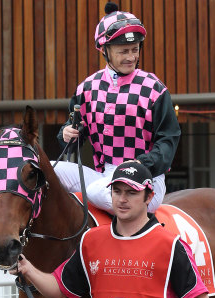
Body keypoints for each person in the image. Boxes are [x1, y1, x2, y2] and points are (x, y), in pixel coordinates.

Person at [11, 161, 214, 298]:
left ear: (149, 197)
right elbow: (59, 289)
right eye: (116, 191)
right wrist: (27, 268)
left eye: (131, 192)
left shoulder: (170, 245)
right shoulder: (92, 241)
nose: (122, 199)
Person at [55, 2, 181, 214]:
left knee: (98, 192)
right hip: (104, 177)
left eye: (135, 49)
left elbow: (168, 140)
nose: (131, 57)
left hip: (146, 177)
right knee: (49, 170)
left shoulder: (154, 89)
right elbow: (76, 136)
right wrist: (67, 134)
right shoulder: (86, 89)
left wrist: (142, 163)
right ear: (104, 50)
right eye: (123, 51)